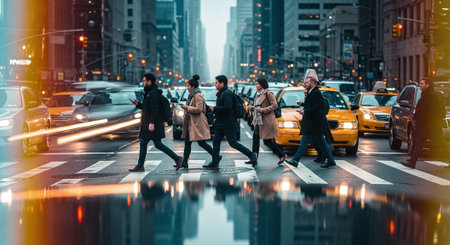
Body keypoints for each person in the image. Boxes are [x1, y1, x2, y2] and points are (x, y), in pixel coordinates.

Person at [129, 73, 183, 172]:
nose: (143, 82)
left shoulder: (152, 93)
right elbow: (148, 108)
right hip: (150, 123)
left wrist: (151, 123)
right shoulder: (150, 92)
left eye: (144, 81)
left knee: (146, 143)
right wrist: (138, 104)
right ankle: (177, 158)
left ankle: (140, 166)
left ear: (149, 82)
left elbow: (155, 109)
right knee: (155, 144)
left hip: (152, 124)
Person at [203, 75, 257, 169]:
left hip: (228, 123)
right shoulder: (222, 93)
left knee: (233, 143)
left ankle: (252, 155)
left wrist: (214, 108)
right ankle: (215, 162)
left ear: (222, 83)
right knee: (216, 142)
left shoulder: (226, 93)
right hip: (221, 123)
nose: (215, 85)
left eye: (216, 83)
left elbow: (228, 108)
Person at [285, 76, 336, 168]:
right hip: (314, 123)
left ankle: (295, 160)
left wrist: (305, 111)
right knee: (322, 142)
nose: (305, 84)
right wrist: (303, 104)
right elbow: (312, 105)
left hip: (313, 123)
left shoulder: (316, 93)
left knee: (304, 142)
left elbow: (317, 107)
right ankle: (331, 160)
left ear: (312, 83)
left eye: (307, 83)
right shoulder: (312, 92)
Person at [401, 78, 450, 168]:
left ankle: (412, 162)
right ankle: (412, 162)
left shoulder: (432, 95)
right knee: (420, 143)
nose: (420, 85)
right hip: (429, 124)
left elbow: (431, 111)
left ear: (428, 85)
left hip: (430, 124)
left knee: (437, 142)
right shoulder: (426, 95)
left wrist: (421, 120)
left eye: (422, 83)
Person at [178, 75, 215, 168]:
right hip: (191, 123)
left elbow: (199, 109)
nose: (187, 88)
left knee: (201, 143)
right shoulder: (192, 95)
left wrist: (186, 107)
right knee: (188, 142)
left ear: (193, 87)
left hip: (197, 123)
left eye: (188, 86)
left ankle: (216, 156)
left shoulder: (198, 96)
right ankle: (185, 162)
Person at [247, 77, 286, 165]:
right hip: (258, 119)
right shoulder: (257, 94)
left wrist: (263, 109)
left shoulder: (268, 93)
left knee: (268, 141)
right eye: (256, 84)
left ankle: (281, 154)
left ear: (262, 85)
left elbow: (275, 105)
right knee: (255, 139)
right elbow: (257, 106)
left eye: (257, 84)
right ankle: (254, 158)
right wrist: (252, 108)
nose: (256, 86)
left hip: (267, 120)